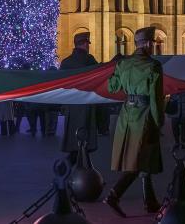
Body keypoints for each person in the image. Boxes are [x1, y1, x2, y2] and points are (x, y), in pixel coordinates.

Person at [103, 27, 164, 217]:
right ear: (147, 44)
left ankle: (150, 202)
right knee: (138, 159)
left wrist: (114, 69)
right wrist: (158, 121)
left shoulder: (123, 64)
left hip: (126, 115)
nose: (154, 46)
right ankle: (114, 195)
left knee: (144, 157)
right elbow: (156, 98)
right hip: (144, 115)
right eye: (154, 43)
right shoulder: (153, 66)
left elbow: (112, 88)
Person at [59, 32, 99, 164]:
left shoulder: (66, 62)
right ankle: (83, 168)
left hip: (71, 104)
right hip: (85, 103)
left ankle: (71, 163)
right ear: (85, 44)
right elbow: (99, 75)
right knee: (85, 136)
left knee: (72, 134)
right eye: (87, 43)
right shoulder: (89, 60)